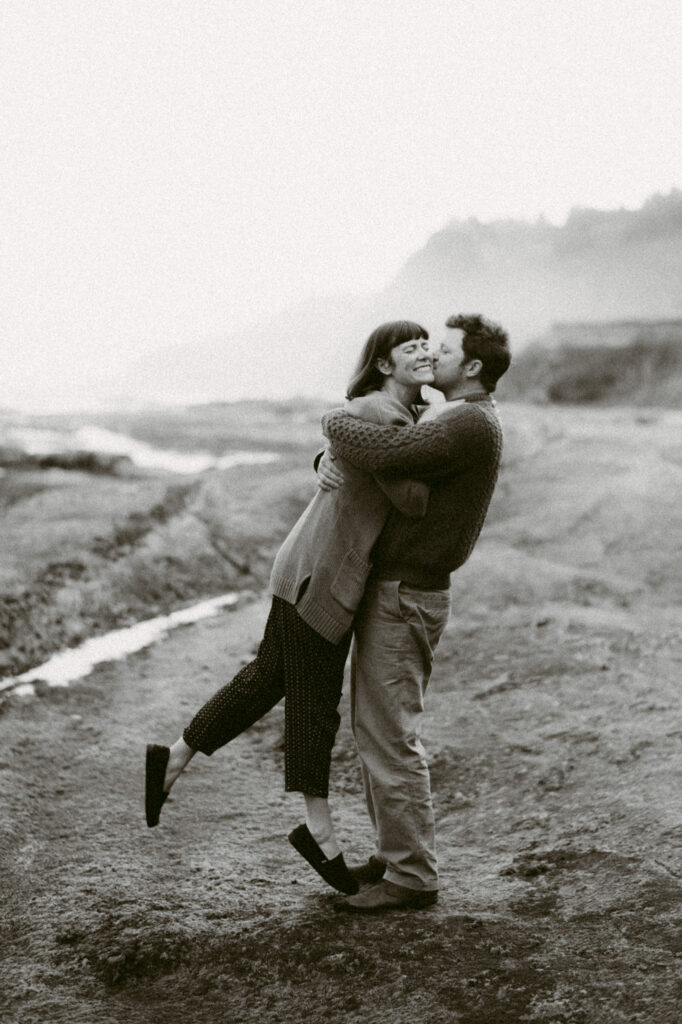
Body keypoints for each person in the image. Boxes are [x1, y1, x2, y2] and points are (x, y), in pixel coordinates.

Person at [145, 320, 434, 896]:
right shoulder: (383, 413)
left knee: (267, 678)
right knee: (313, 702)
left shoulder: (393, 416)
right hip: (320, 576)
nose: (424, 351)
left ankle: (172, 758)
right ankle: (319, 834)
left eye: (429, 344)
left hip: (305, 562)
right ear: (384, 363)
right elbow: (413, 499)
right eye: (412, 346)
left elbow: (351, 455)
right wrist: (436, 456)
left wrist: (334, 453)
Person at [317, 313, 511, 912]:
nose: (431, 354)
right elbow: (379, 463)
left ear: (471, 367)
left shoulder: (469, 425)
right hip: (398, 589)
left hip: (407, 593)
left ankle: (412, 877)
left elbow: (387, 448)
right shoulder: (448, 415)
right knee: (375, 728)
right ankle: (392, 856)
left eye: (444, 349)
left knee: (391, 735)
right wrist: (324, 457)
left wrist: (331, 421)